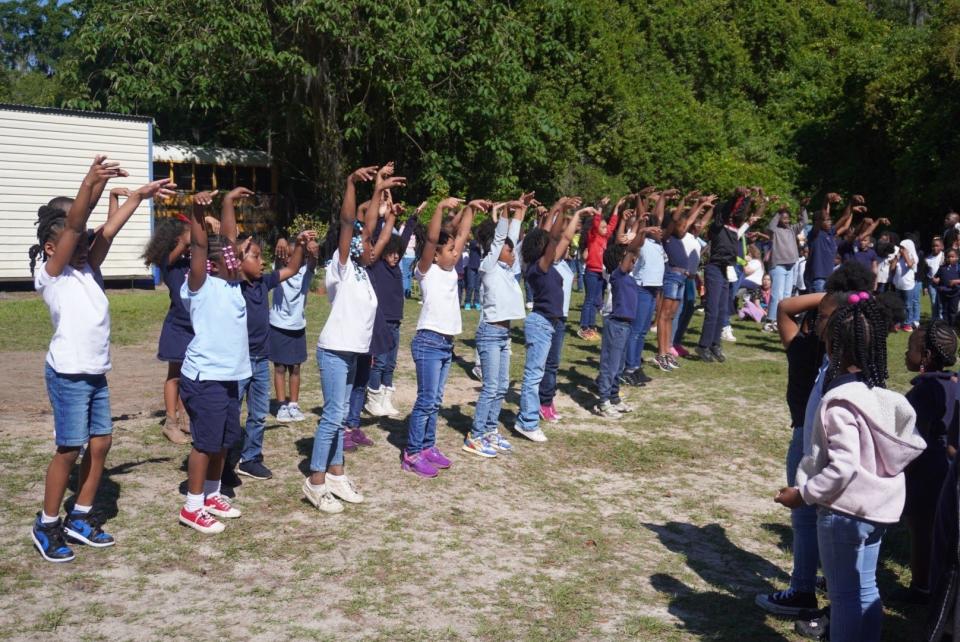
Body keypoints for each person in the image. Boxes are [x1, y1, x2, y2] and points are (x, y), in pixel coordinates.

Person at [29, 157, 171, 559]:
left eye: (85, 243)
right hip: (68, 374)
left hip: (94, 373)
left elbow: (104, 230)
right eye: (75, 242)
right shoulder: (52, 274)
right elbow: (75, 225)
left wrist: (141, 196)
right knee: (69, 449)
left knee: (102, 442)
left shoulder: (88, 267)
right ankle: (47, 524)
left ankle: (81, 517)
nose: (84, 244)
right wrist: (89, 181)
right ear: (52, 248)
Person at [776, 291, 924, 642]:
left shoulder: (839, 403)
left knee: (842, 598)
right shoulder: (878, 397)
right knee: (867, 588)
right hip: (879, 509)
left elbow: (841, 469)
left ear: (833, 349)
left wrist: (804, 495)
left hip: (843, 512)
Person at [304, 164, 401, 511]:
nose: (370, 246)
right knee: (332, 416)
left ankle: (336, 473)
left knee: (341, 416)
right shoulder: (341, 266)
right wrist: (350, 184)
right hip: (333, 351)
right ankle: (315, 480)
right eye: (364, 243)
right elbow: (350, 224)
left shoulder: (363, 269)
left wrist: (379, 194)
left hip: (352, 353)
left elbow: (375, 231)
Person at [177, 187, 252, 534]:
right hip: (204, 376)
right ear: (214, 264)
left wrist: (227, 203)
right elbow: (201, 245)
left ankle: (211, 494)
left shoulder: (234, 284)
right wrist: (195, 210)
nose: (237, 258)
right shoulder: (201, 283)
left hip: (228, 377)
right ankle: (191, 507)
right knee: (205, 442)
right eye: (231, 257)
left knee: (223, 439)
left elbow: (228, 236)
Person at [403, 195, 480, 476]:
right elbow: (435, 237)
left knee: (435, 400)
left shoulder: (450, 270)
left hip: (446, 343)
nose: (456, 252)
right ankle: (412, 453)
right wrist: (438, 209)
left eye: (456, 250)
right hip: (428, 341)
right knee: (425, 400)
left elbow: (461, 235)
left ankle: (427, 446)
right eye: (449, 250)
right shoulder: (427, 271)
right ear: (435, 253)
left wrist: (470, 208)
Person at [465, 198, 529, 457]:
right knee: (491, 386)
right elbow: (502, 236)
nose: (513, 253)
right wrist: (506, 211)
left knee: (501, 386)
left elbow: (510, 238)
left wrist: (520, 214)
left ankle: (490, 430)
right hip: (490, 333)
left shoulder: (507, 268)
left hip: (504, 334)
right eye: (508, 249)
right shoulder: (488, 267)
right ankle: (476, 435)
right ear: (496, 249)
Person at [515, 198, 582, 442]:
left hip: (548, 323)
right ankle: (527, 422)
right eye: (545, 245)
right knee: (534, 376)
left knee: (539, 372)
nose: (550, 247)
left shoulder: (545, 265)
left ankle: (530, 417)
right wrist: (560, 209)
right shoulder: (537, 267)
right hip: (540, 323)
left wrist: (558, 210)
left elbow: (554, 238)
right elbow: (553, 238)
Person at [902, 321, 958, 604]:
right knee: (942, 530)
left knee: (920, 529)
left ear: (925, 356)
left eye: (910, 348)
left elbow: (915, 438)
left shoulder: (923, 391)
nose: (905, 353)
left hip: (925, 470)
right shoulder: (953, 384)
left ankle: (921, 586)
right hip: (949, 470)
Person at [364, 202, 422, 417]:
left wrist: (414, 217)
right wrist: (383, 218)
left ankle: (386, 399)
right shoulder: (377, 265)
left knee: (391, 363)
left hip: (395, 322)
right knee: (378, 361)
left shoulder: (396, 267)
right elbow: (380, 237)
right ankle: (373, 399)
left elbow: (403, 239)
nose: (395, 256)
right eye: (391, 253)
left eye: (398, 254)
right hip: (381, 321)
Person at [142, 214, 194, 444]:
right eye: (188, 233)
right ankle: (170, 422)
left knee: (189, 376)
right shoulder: (169, 261)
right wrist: (185, 238)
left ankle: (186, 418)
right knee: (175, 376)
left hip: (195, 328)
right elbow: (173, 256)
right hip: (178, 328)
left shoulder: (192, 260)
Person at [595, 215, 651, 417]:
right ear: (619, 262)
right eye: (628, 260)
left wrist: (642, 226)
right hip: (616, 325)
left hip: (626, 326)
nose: (633, 261)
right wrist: (642, 231)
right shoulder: (617, 275)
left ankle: (614, 397)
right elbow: (631, 251)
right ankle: (603, 402)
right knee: (610, 365)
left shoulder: (628, 277)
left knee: (619, 366)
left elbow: (632, 253)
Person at [655, 194, 715, 371]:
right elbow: (676, 219)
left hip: (682, 278)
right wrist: (684, 201)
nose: (684, 228)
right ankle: (661, 353)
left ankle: (667, 351)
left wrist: (699, 203)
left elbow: (689, 220)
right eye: (680, 226)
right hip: (671, 276)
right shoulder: (667, 237)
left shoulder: (682, 236)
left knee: (671, 316)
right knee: (664, 316)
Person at [696, 188, 752, 363]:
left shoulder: (735, 228)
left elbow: (740, 211)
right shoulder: (717, 226)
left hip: (727, 269)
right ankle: (703, 346)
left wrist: (746, 198)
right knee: (712, 310)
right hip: (714, 269)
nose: (736, 215)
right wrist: (736, 196)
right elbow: (729, 208)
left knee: (722, 310)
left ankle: (715, 344)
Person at [270, 232, 319, 424]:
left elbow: (314, 261)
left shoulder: (306, 271)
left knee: (296, 368)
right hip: (278, 325)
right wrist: (280, 240)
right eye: (287, 255)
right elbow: (277, 257)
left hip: (298, 326)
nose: (291, 258)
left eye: (295, 254)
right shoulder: (278, 271)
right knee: (280, 367)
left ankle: (293, 404)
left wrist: (314, 249)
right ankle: (281, 405)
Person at [578, 197, 622, 340]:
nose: (605, 228)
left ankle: (591, 326)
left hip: (601, 274)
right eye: (602, 227)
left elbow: (613, 224)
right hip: (591, 272)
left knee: (597, 302)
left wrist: (617, 208)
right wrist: (600, 207)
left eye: (605, 227)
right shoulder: (594, 237)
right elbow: (597, 221)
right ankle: (584, 327)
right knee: (589, 300)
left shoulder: (605, 238)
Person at [766, 200, 809, 333]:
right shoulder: (775, 230)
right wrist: (779, 211)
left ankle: (781, 320)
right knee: (776, 294)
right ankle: (770, 321)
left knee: (786, 295)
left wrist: (802, 208)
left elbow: (804, 222)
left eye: (787, 217)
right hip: (778, 265)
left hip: (791, 265)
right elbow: (770, 225)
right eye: (783, 218)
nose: (786, 220)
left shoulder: (792, 229)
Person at [805, 193, 858, 293]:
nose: (830, 222)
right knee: (817, 307)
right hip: (818, 279)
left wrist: (851, 202)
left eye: (830, 220)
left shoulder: (830, 233)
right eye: (827, 220)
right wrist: (826, 199)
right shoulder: (815, 234)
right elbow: (823, 213)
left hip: (829, 278)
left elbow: (844, 217)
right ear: (818, 222)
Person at [893, 238, 920, 331]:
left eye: (903, 247)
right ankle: (898, 322)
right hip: (898, 284)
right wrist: (897, 257)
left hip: (908, 285)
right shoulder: (898, 257)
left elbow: (909, 264)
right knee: (898, 305)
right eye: (900, 247)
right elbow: (892, 268)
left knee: (908, 305)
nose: (900, 249)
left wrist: (905, 254)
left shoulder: (914, 257)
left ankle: (907, 323)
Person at [933, 248, 960, 325]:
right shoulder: (942, 268)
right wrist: (936, 279)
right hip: (943, 292)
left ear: (957, 257)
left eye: (952, 257)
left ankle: (952, 327)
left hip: (955, 293)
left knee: (952, 311)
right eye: (948, 257)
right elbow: (937, 277)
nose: (950, 259)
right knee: (944, 310)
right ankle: (946, 327)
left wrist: (956, 281)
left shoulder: (958, 267)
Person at [925, 236, 945, 322]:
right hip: (931, 283)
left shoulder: (944, 256)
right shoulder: (928, 258)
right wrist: (926, 285)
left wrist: (940, 278)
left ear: (942, 247)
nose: (935, 247)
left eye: (937, 245)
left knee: (941, 303)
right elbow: (926, 272)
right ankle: (934, 320)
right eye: (933, 246)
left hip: (942, 282)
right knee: (933, 302)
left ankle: (941, 320)